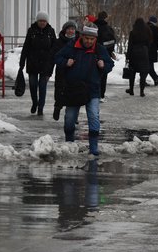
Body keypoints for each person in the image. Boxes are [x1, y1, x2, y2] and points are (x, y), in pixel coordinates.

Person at [55, 22, 114, 155]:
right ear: (81, 36)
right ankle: (70, 145)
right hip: (73, 89)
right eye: (86, 38)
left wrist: (103, 65)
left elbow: (110, 64)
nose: (88, 41)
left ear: (95, 39)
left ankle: (93, 148)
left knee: (93, 117)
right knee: (70, 120)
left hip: (92, 89)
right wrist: (66, 62)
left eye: (91, 39)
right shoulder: (72, 46)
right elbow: (57, 57)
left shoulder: (99, 49)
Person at [19, 11, 57, 115]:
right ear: (37, 21)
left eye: (44, 21)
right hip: (33, 63)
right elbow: (26, 47)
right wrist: (22, 63)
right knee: (33, 84)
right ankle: (34, 102)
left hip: (46, 64)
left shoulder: (50, 31)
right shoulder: (31, 31)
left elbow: (55, 48)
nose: (42, 23)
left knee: (43, 86)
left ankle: (41, 107)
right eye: (40, 21)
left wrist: (52, 63)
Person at [50, 20, 78, 121]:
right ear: (65, 30)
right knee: (59, 90)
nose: (71, 31)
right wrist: (65, 62)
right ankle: (57, 107)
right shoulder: (59, 41)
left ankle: (73, 115)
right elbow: (54, 56)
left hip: (74, 70)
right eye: (69, 29)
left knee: (73, 91)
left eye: (73, 29)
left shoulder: (78, 41)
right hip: (61, 69)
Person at [94, 11, 117, 102]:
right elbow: (112, 41)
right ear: (106, 18)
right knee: (103, 75)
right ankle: (101, 95)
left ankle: (93, 93)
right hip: (105, 54)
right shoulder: (108, 29)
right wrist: (110, 52)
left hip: (92, 53)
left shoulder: (93, 27)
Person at [126, 18, 151, 97]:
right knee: (143, 73)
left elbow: (130, 45)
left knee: (132, 73)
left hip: (134, 53)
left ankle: (131, 90)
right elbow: (149, 43)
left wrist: (128, 56)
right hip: (144, 53)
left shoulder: (133, 32)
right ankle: (141, 91)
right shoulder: (147, 32)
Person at [146, 16, 158, 86]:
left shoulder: (144, 27)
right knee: (149, 65)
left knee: (147, 65)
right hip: (152, 49)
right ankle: (155, 79)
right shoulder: (154, 28)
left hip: (144, 49)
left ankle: (154, 79)